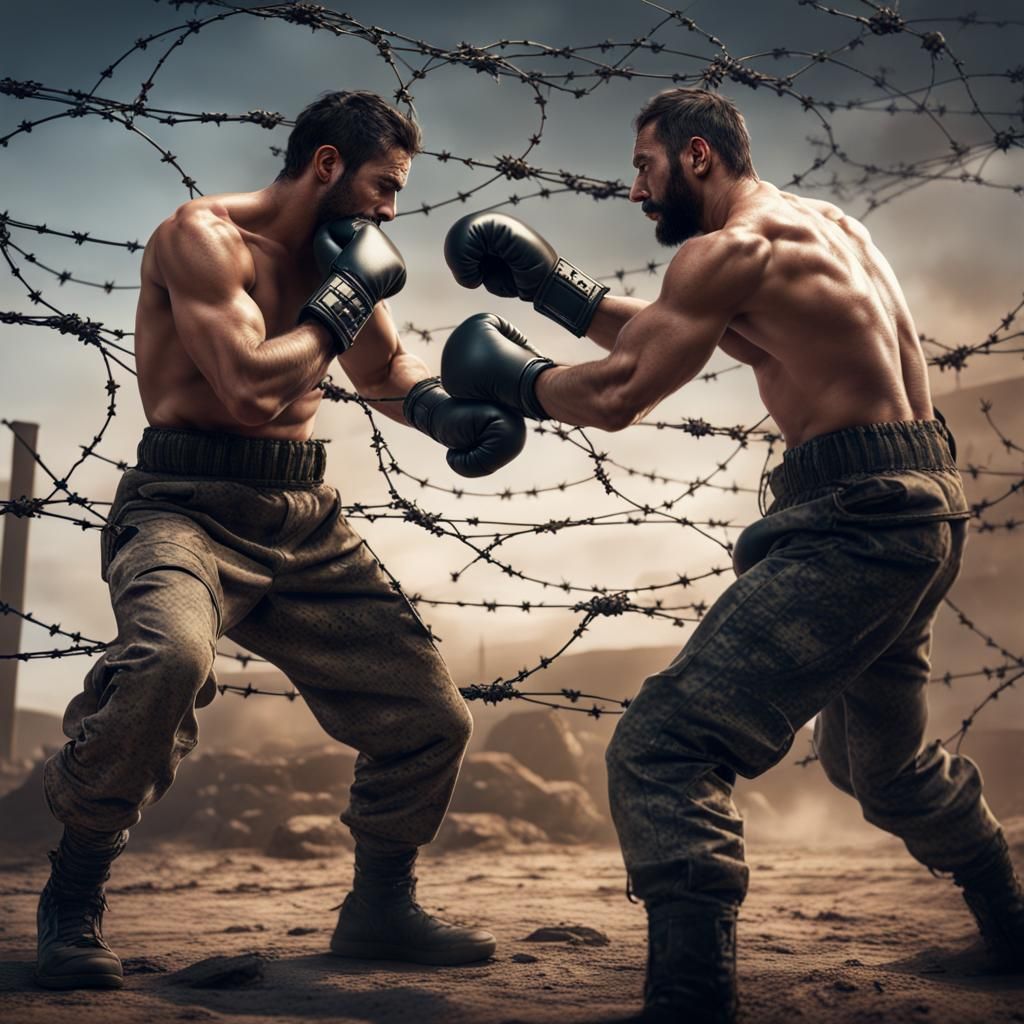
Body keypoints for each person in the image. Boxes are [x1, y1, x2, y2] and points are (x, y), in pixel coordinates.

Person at [439, 87, 1024, 1022]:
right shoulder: (818, 228)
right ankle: (1017, 926)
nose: (635, 189)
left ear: (698, 156)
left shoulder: (728, 251)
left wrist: (516, 382)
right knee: (885, 767)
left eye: (644, 167)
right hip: (919, 505)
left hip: (858, 521)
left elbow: (625, 388)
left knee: (664, 746)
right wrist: (551, 290)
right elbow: (686, 328)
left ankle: (692, 997)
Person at [36, 90, 526, 991]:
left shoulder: (338, 259)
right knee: (167, 662)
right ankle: (74, 890)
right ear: (327, 165)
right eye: (383, 185)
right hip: (185, 504)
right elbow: (247, 386)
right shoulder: (202, 239)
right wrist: (343, 299)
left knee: (430, 716)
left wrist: (445, 416)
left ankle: (380, 905)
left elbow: (381, 368)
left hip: (303, 514)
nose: (389, 210)